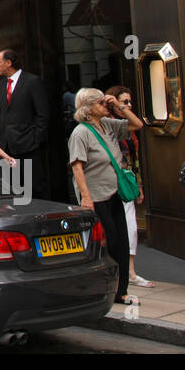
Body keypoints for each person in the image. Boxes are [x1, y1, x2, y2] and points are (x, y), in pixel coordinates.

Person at [69, 88, 145, 307]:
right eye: (101, 103)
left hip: (113, 193)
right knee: (107, 242)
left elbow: (137, 125)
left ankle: (121, 292)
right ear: (89, 107)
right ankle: (100, 288)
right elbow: (77, 167)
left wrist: (119, 106)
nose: (105, 105)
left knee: (121, 242)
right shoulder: (80, 133)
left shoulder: (108, 125)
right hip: (95, 195)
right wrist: (85, 197)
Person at [106, 86, 153, 288]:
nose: (129, 105)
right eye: (124, 102)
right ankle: (124, 271)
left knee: (130, 225)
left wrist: (139, 185)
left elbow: (134, 158)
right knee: (119, 227)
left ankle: (130, 270)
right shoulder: (107, 125)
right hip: (110, 182)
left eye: (129, 102)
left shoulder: (125, 128)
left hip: (126, 181)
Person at [0, 49, 50, 201]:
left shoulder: (32, 81)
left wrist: (35, 139)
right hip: (6, 147)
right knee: (11, 190)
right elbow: (0, 114)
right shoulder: (1, 85)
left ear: (9, 63)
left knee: (34, 187)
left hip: (28, 145)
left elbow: (43, 114)